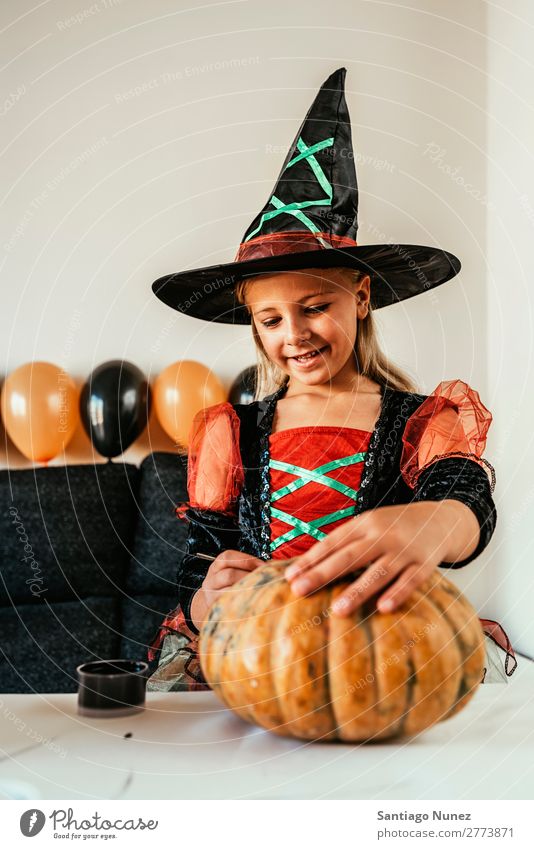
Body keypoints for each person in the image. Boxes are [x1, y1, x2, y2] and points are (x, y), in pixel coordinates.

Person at [147, 68, 515, 690]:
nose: (294, 334)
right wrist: (208, 597)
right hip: (261, 653)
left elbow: (467, 503)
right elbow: (202, 560)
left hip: (378, 648)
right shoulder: (231, 431)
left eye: (315, 306)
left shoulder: (423, 421)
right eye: (270, 318)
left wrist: (432, 522)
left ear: (362, 297)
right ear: (255, 326)